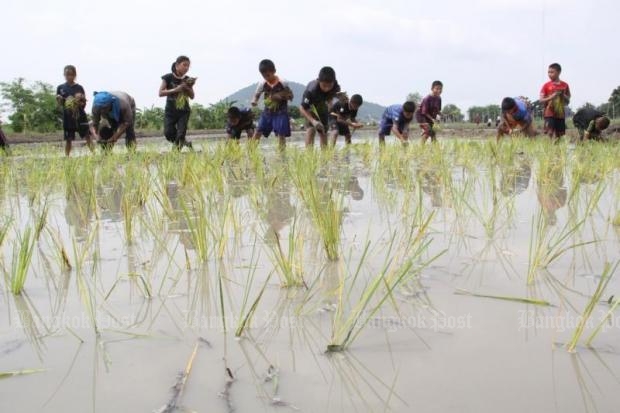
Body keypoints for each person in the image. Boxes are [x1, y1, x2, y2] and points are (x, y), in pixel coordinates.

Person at [250, 59, 293, 149]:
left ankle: (281, 155)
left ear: (274, 71)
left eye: (268, 75)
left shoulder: (283, 82)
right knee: (258, 131)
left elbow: (291, 96)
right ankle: (251, 151)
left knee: (281, 134)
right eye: (264, 75)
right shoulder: (262, 83)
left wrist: (281, 96)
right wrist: (254, 101)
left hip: (280, 112)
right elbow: (257, 94)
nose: (267, 78)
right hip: (267, 112)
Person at [159, 55, 196, 150]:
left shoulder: (187, 79)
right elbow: (161, 93)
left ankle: (175, 153)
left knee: (180, 133)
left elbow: (192, 96)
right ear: (177, 65)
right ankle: (186, 143)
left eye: (188, 66)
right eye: (184, 65)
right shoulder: (167, 77)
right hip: (170, 111)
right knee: (168, 133)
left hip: (184, 111)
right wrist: (176, 89)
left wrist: (187, 86)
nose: (187, 68)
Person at [56, 65, 94, 156]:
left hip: (80, 116)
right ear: (64, 75)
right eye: (67, 75)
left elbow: (83, 104)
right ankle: (67, 157)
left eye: (71, 75)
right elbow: (60, 104)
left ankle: (94, 154)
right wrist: (59, 99)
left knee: (87, 136)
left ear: (75, 75)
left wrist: (79, 101)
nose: (69, 77)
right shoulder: (60, 88)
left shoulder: (79, 88)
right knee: (68, 139)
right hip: (68, 117)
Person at [300, 66, 341, 148]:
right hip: (310, 107)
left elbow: (334, 97)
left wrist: (331, 102)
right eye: (324, 86)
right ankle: (309, 156)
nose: (327, 88)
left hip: (322, 106)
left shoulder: (336, 86)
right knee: (311, 129)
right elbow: (302, 108)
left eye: (330, 86)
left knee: (323, 130)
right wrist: (313, 121)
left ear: (334, 82)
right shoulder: (311, 90)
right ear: (319, 81)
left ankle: (324, 157)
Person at [539, 63, 571, 141]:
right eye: (548, 72)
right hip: (549, 112)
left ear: (559, 72)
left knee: (560, 135)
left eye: (552, 72)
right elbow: (541, 100)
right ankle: (549, 148)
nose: (549, 74)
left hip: (560, 114)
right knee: (549, 132)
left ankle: (557, 150)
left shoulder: (565, 85)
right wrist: (552, 96)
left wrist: (563, 95)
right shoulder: (546, 85)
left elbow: (568, 101)